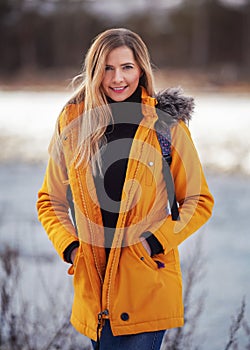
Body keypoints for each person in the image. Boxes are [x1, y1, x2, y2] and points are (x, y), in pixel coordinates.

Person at [37, 28, 214, 350]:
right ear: (95, 71)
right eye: (107, 68)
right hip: (93, 288)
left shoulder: (165, 124)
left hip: (146, 285)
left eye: (127, 67)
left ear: (141, 69)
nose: (117, 78)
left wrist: (152, 244)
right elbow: (51, 200)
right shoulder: (73, 122)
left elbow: (198, 200)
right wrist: (72, 248)